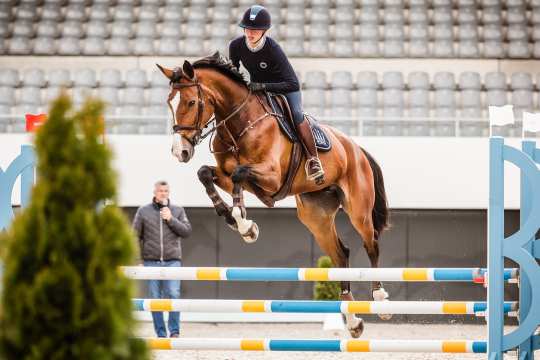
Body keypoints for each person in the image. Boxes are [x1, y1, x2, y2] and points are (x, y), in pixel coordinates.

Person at [229, 4, 325, 184]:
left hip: (286, 89)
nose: (250, 33)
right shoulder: (236, 46)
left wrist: (263, 86)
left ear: (264, 31)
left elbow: (292, 83)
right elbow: (233, 73)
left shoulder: (273, 49)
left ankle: (313, 160)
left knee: (297, 115)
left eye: (255, 30)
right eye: (247, 29)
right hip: (258, 88)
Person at [132, 180, 192, 338]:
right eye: (160, 191)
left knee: (173, 294)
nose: (163, 193)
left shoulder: (177, 210)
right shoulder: (143, 211)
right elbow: (134, 236)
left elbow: (186, 231)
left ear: (168, 192)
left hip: (173, 260)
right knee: (154, 299)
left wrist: (170, 219)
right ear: (155, 193)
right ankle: (161, 333)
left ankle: (174, 331)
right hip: (150, 261)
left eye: (166, 191)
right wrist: (138, 260)